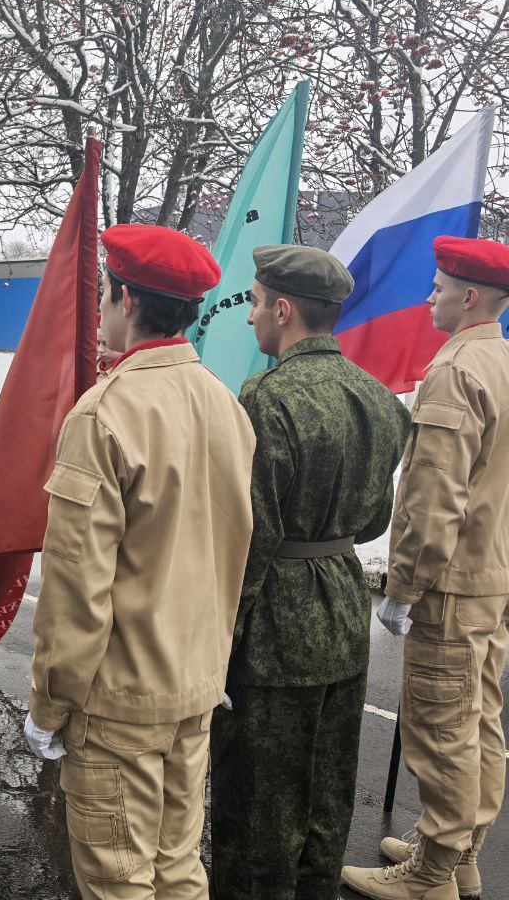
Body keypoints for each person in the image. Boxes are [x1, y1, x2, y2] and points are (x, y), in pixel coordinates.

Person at [24, 224, 255, 899]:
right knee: (177, 867)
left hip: (121, 697)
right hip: (195, 681)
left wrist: (50, 703)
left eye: (107, 294)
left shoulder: (104, 414)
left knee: (119, 878)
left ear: (125, 299)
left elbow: (75, 589)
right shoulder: (223, 401)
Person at [211, 246, 411, 900]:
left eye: (256, 303)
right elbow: (375, 520)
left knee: (258, 807)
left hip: (275, 627)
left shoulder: (266, 398)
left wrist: (220, 645)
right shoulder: (382, 402)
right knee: (327, 796)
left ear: (285, 308)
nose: (250, 319)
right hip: (344, 611)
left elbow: (253, 537)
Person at [342, 236, 509, 900]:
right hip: (492, 573)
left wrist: (404, 585)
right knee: (480, 719)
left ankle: (431, 874)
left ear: (469, 297)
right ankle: (461, 852)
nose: (428, 296)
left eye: (437, 288)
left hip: (452, 581)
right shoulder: (500, 359)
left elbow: (436, 494)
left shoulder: (456, 370)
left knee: (442, 725)